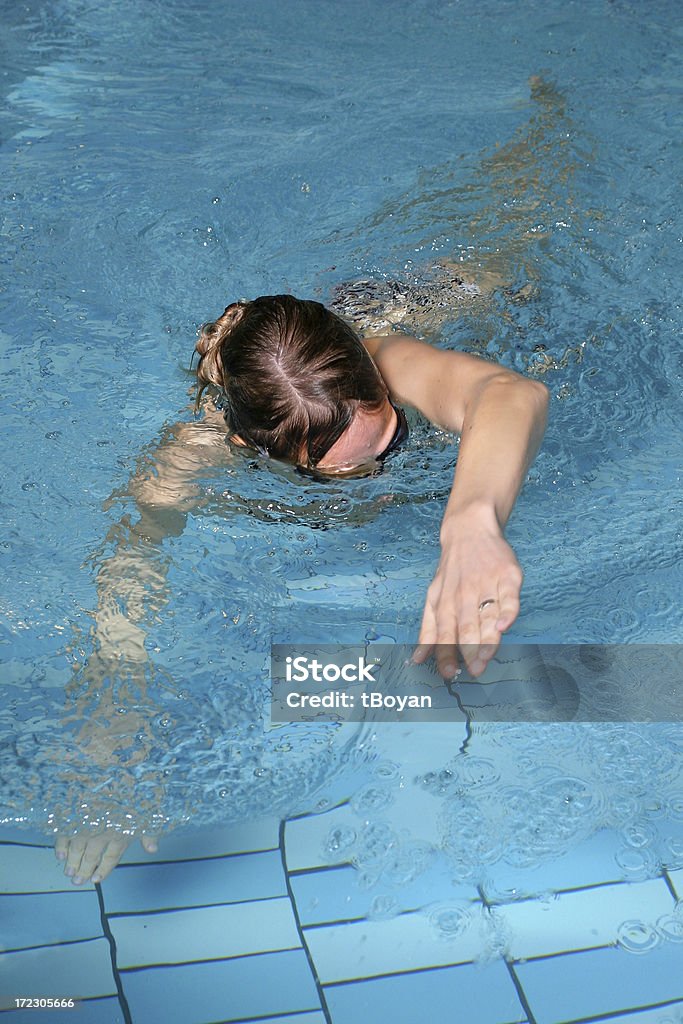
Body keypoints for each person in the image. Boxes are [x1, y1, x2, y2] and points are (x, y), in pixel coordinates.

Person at [193, 292, 548, 680]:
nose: (387, 489)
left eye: (393, 440)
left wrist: (472, 525)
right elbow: (136, 549)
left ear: (378, 378)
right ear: (256, 451)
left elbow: (513, 393)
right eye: (348, 476)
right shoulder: (201, 453)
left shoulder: (390, 359)